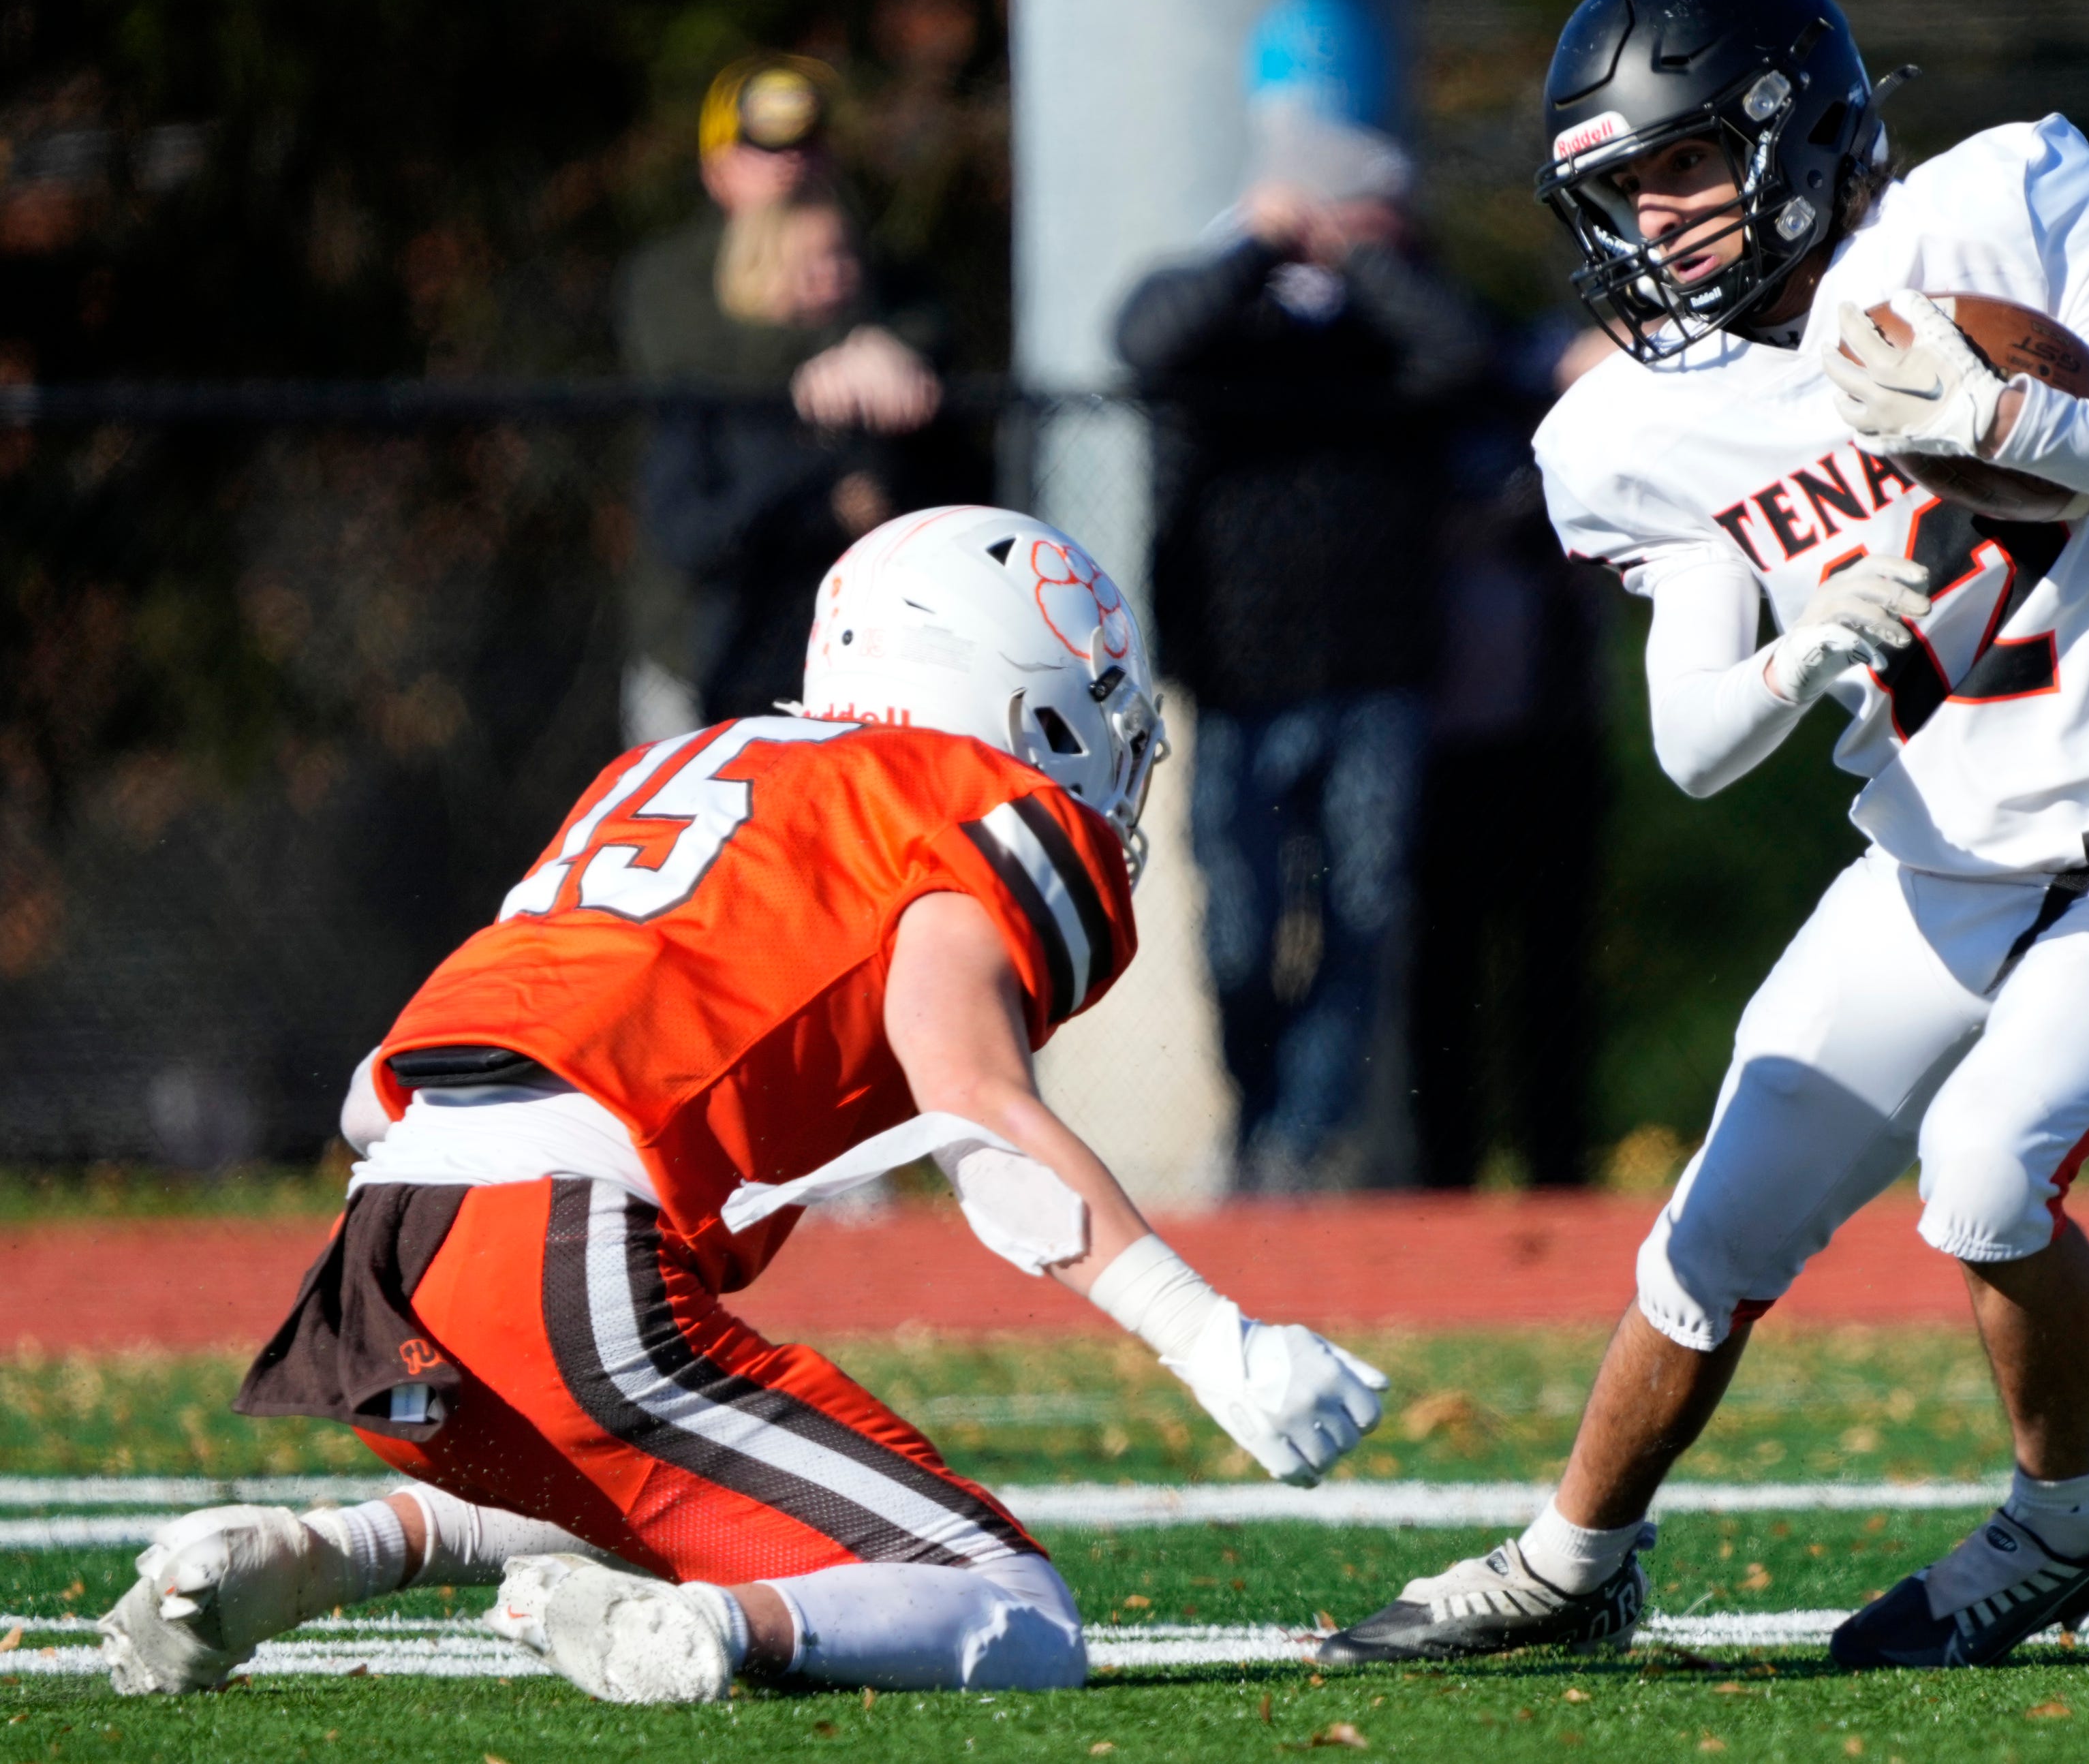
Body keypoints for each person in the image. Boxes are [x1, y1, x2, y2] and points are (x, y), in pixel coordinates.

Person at [1318, 0, 2089, 1671]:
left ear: (1788, 128)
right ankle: (1572, 1559)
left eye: (1673, 167)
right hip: (1931, 866)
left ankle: (2061, 1523)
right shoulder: (1628, 429)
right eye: (1614, 190)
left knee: (1983, 1178)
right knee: (1715, 1224)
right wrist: (1796, 657)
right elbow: (1692, 744)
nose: (1649, 221)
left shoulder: (1996, 204)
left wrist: (2006, 412)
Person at [95, 507, 1388, 1703]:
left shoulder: (676, 761)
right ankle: (713, 1631)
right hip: (559, 1248)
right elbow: (975, 1109)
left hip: (385, 1250)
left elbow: (390, 1073)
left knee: (687, 1487)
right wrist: (1211, 1336)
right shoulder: (962, 800)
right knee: (1012, 1607)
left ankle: (320, 1550)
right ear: (1019, 692)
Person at [1114, 80, 1489, 1191]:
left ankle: (1298, 1144)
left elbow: (1459, 355)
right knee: (1239, 923)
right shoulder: (1217, 313)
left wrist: (1362, 261)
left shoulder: (1390, 318)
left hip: (1376, 672)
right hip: (1236, 675)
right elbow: (1143, 342)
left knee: (1361, 915)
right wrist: (1256, 249)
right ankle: (1257, 1108)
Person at [617, 56, 945, 741]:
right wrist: (836, 359)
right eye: (763, 149)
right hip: (703, 641)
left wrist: (887, 351)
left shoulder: (879, 272)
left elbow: (936, 339)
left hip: (857, 649)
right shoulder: (670, 278)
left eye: (808, 145)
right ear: (716, 166)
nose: (791, 165)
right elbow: (690, 368)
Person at [1410, 324, 1613, 1190]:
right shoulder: (1422, 415)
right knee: (1442, 970)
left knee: (1553, 968)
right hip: (1442, 745)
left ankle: (1557, 1167)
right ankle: (1443, 1173)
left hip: (1556, 736)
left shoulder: (1569, 432)